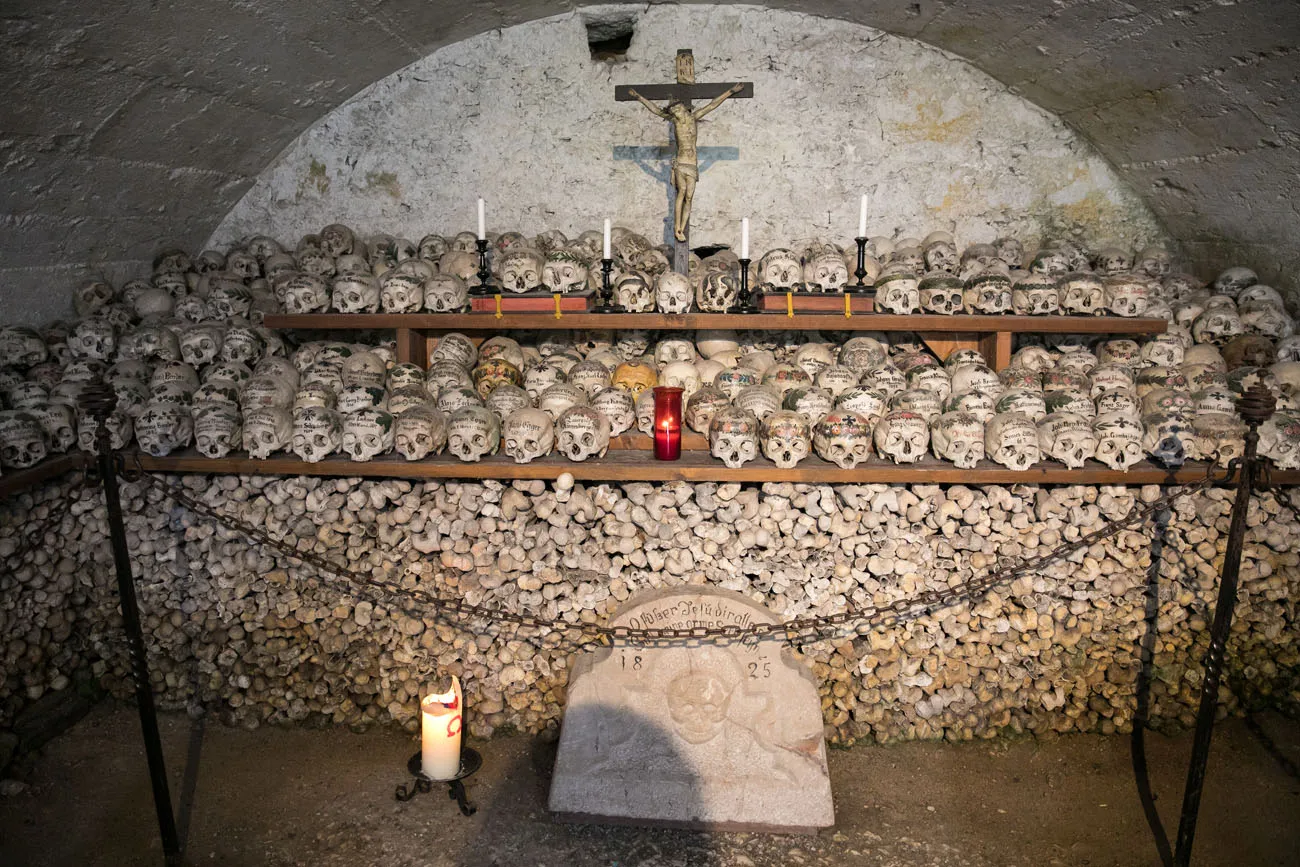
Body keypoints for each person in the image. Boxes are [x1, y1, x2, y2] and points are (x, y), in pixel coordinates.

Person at [626, 84, 746, 242]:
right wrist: (639, 97)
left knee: (689, 197)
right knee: (681, 192)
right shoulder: (675, 122)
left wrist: (730, 92)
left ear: (683, 107)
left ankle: (682, 226)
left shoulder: (694, 117)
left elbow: (712, 104)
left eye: (677, 109)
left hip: (692, 164)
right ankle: (677, 228)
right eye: (673, 111)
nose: (675, 113)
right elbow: (655, 110)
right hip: (681, 162)